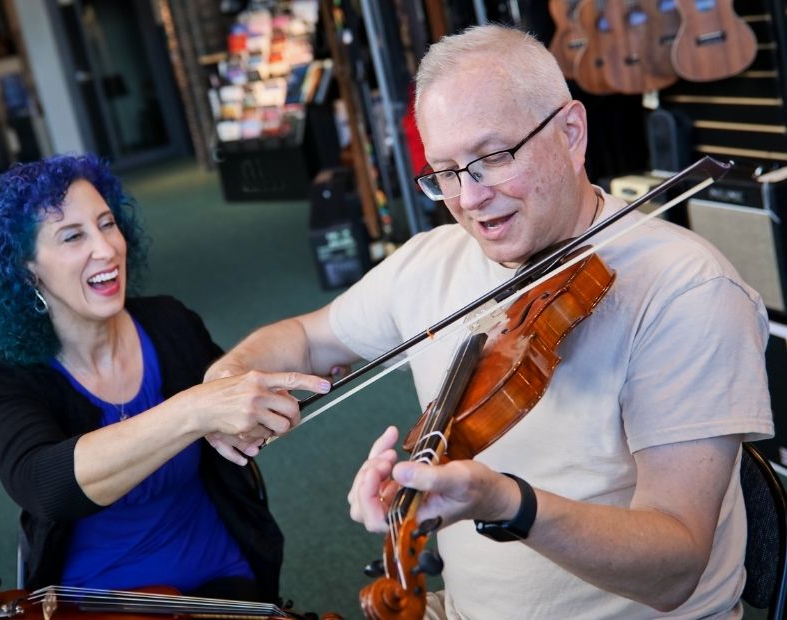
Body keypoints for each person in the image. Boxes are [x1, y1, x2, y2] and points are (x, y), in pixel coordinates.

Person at [204, 25, 774, 618]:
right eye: (444, 172)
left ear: (571, 134)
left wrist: (508, 504)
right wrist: (227, 382)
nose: (467, 198)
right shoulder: (430, 259)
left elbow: (675, 567)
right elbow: (303, 337)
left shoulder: (686, 288)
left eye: (491, 158)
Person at [0, 154, 328, 601]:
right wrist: (192, 409)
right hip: (103, 600)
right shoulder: (1, 382)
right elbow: (45, 487)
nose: (106, 248)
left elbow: (231, 416)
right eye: (73, 236)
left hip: (219, 572)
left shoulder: (169, 322)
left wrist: (260, 408)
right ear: (27, 270)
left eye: (107, 223)